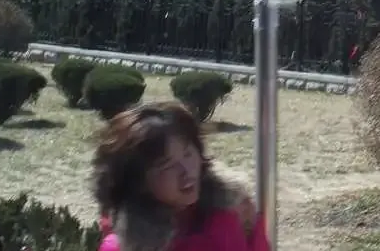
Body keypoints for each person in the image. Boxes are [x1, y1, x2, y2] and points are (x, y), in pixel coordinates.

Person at [93, 101, 269, 251]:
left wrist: (251, 227)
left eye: (188, 154)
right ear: (137, 181)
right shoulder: (123, 246)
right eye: (167, 164)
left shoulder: (228, 214)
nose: (186, 171)